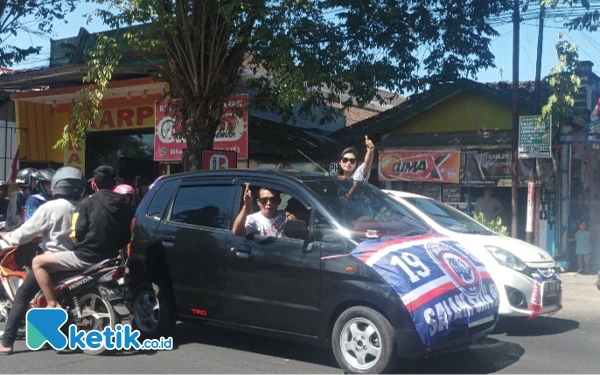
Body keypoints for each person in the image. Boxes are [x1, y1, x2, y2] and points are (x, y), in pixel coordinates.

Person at [0, 166, 86, 355]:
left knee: (22, 296)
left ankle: (6, 343)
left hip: (53, 263)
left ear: (57, 185)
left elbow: (25, 232)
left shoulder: (51, 207)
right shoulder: (83, 205)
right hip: (80, 260)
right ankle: (65, 336)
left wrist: (4, 241)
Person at [31, 165, 135, 309]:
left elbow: (75, 233)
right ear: (114, 185)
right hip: (112, 258)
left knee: (37, 262)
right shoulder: (127, 206)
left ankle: (52, 303)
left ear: (93, 184)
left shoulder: (86, 203)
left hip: (86, 258)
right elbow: (128, 236)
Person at [336, 136, 375, 201]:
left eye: (352, 161)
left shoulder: (358, 174)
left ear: (356, 163)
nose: (348, 163)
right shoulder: (335, 180)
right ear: (340, 162)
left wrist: (370, 151)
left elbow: (367, 163)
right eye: (345, 160)